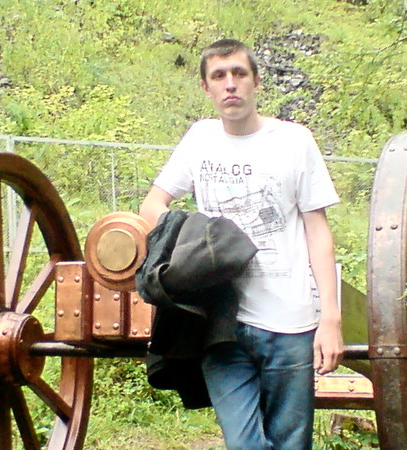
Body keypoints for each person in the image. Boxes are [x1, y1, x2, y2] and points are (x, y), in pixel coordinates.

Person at [139, 38, 343, 449]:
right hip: (220, 324)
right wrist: (196, 235)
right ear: (206, 87)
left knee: (291, 443)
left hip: (289, 322)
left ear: (256, 81)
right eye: (218, 76)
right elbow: (152, 206)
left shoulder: (294, 141)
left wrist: (331, 319)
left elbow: (317, 230)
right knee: (243, 444)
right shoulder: (200, 139)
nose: (230, 84)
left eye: (239, 73)